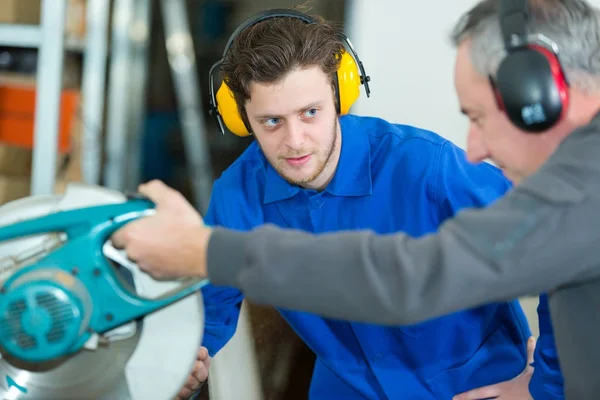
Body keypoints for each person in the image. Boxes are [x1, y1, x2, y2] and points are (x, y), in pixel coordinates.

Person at [112, 0, 600, 398]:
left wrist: (543, 386)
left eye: (310, 112)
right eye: (271, 122)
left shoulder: (430, 167)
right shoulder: (238, 193)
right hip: (349, 386)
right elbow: (210, 309)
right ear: (241, 120)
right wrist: (183, 359)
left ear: (341, 93)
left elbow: (546, 267)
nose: (296, 141)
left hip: (471, 384)